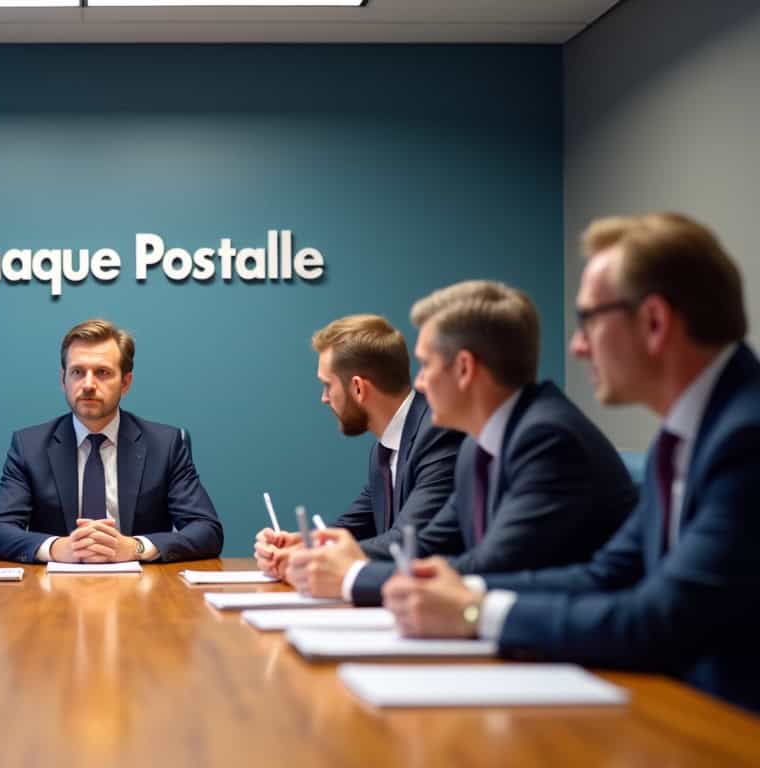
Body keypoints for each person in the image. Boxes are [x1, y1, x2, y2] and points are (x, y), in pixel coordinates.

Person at [383, 213, 760, 713]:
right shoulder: (686, 434)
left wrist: (476, 611)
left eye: (588, 321)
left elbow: (662, 620)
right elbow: (606, 574)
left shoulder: (746, 438)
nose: (578, 346)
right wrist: (461, 590)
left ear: (654, 322)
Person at [289, 280, 636, 606]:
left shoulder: (548, 438)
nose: (419, 384)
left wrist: (352, 576)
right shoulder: (477, 446)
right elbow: (430, 543)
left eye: (426, 365)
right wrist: (338, 558)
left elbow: (493, 566)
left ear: (464, 369)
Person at [0, 319, 222, 563]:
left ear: (125, 382)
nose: (88, 385)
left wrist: (136, 547)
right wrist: (57, 548)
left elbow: (207, 530)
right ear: (63, 380)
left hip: (142, 584)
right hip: (54, 584)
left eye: (102, 373)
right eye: (77, 372)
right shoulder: (29, 447)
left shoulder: (165, 445)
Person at [254, 315, 462, 580]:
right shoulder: (384, 450)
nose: (324, 398)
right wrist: (300, 544)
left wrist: (310, 557)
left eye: (327, 385)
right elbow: (355, 528)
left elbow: (406, 541)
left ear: (358, 388)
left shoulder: (437, 434)